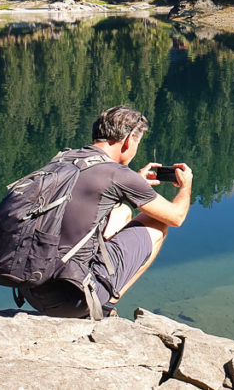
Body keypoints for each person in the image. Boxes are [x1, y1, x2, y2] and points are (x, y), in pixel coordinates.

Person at [21, 105, 193, 318]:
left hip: (32, 287)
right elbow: (176, 216)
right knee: (157, 224)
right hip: (73, 300)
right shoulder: (118, 174)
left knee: (122, 212)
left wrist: (135, 183)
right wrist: (186, 186)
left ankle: (92, 285)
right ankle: (105, 302)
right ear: (129, 141)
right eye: (137, 144)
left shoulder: (65, 159)